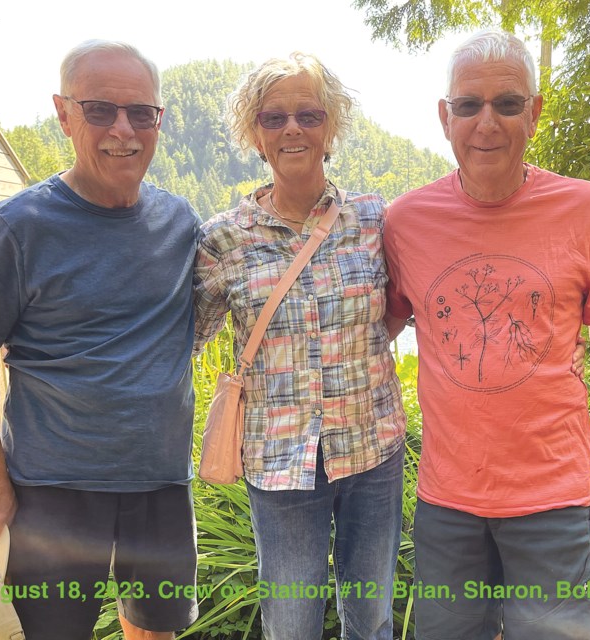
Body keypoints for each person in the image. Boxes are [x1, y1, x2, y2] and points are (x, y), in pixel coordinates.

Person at [382, 30, 590, 640]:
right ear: (444, 116)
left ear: (534, 111)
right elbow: (379, 328)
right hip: (447, 503)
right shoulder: (405, 221)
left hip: (552, 502)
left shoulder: (584, 209)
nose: (487, 123)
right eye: (469, 105)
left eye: (507, 103)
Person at [0, 40, 200, 640]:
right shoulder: (17, 227)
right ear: (64, 114)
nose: (124, 130)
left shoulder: (181, 223)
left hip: (160, 481)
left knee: (154, 630)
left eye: (141, 113)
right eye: (100, 110)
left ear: (159, 120)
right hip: (50, 489)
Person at [192, 52, 407, 640]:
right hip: (278, 466)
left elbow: (402, 310)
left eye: (309, 115)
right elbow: (178, 337)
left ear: (330, 127)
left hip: (373, 451)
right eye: (274, 118)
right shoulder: (223, 240)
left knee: (373, 618)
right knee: (289, 625)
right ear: (254, 135)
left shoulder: (373, 220)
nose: (292, 129)